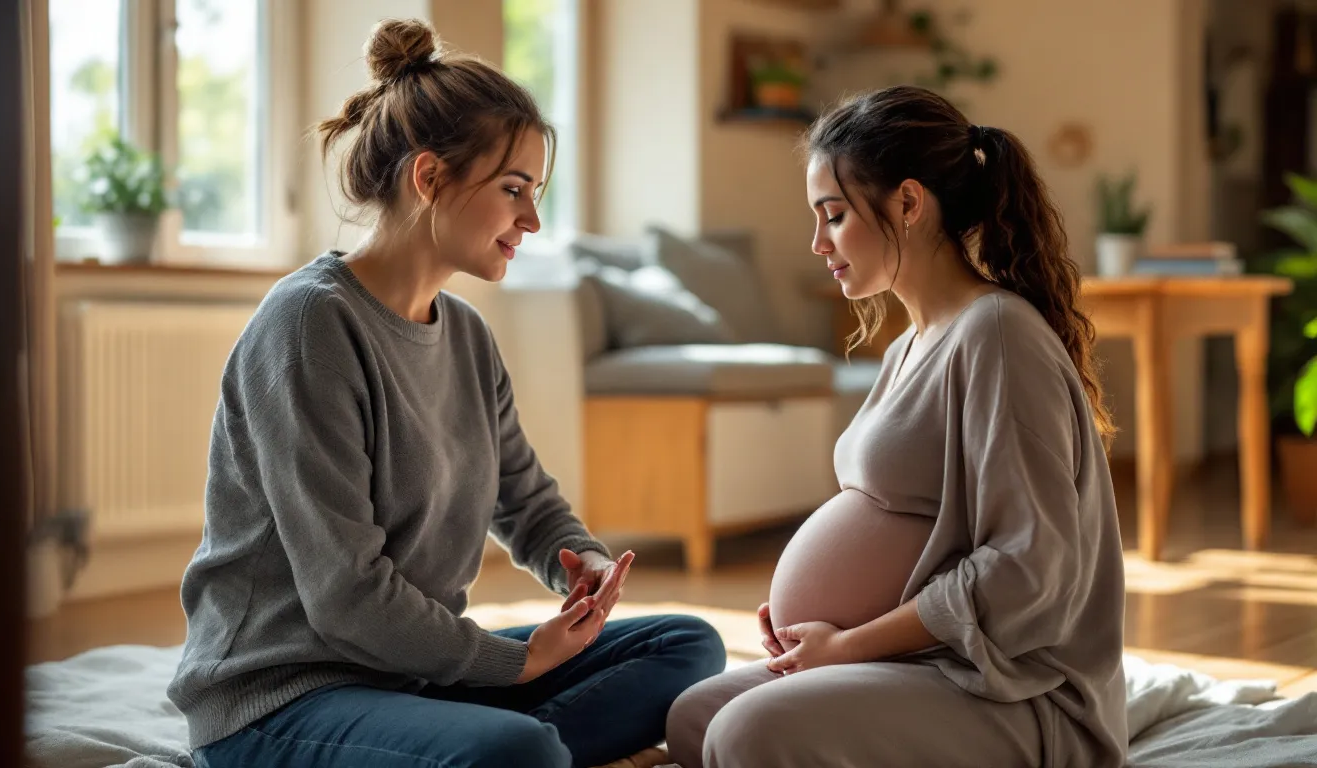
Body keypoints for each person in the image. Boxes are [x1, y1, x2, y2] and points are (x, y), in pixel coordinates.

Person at [167, 18, 726, 768]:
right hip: (282, 699)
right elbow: (345, 594)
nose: (531, 219)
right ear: (428, 178)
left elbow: (522, 497)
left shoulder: (464, 333)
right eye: (514, 190)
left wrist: (583, 561)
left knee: (685, 646)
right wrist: (517, 666)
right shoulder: (308, 325)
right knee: (517, 751)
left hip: (409, 680)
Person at [664, 85, 1128, 767]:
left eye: (834, 215)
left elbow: (1031, 568)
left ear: (909, 203)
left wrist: (850, 644)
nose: (817, 242)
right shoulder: (913, 341)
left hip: (1018, 692)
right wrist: (818, 619)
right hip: (927, 659)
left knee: (745, 734)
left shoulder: (996, 335)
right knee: (696, 716)